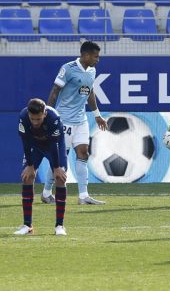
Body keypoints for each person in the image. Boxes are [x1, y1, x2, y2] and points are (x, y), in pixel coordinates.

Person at [42, 41, 108, 205]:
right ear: (85, 55)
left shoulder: (92, 71)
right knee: (60, 160)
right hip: (64, 119)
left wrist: (97, 115)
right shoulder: (68, 68)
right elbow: (55, 90)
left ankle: (83, 196)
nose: (97, 60)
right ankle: (46, 192)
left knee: (83, 154)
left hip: (81, 119)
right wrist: (48, 113)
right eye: (95, 56)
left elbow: (90, 92)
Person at [15, 98, 68, 236]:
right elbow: (25, 141)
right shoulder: (23, 117)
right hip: (35, 146)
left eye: (38, 119)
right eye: (32, 119)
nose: (35, 122)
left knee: (60, 179)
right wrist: (30, 166)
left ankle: (59, 226)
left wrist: (56, 168)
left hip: (54, 146)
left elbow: (53, 144)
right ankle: (27, 225)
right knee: (27, 177)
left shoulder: (54, 117)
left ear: (44, 113)